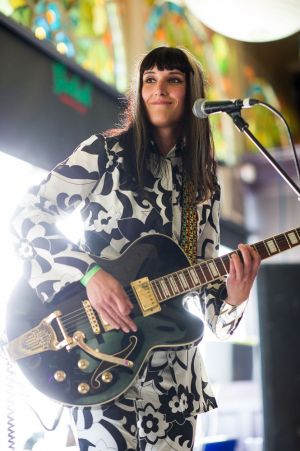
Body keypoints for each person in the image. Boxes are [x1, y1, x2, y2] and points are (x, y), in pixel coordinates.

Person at [11, 46, 261, 450]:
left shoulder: (204, 183)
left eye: (173, 80)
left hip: (175, 377)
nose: (159, 90)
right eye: (150, 80)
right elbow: (27, 216)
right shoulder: (103, 153)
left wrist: (236, 295)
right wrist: (90, 274)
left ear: (193, 92)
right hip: (100, 357)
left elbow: (213, 303)